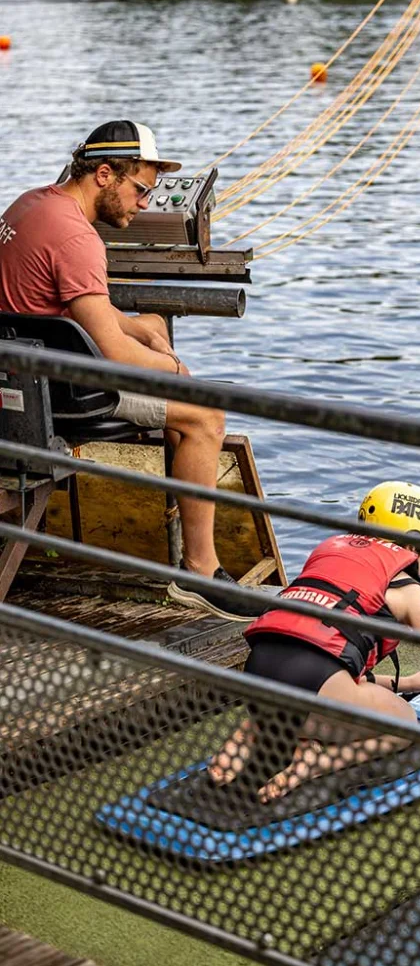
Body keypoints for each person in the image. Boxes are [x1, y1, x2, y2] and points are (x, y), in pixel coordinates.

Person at [0, 119, 264, 621]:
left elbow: (72, 304)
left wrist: (137, 325)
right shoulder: (78, 239)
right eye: (140, 189)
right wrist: (171, 366)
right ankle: (200, 572)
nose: (145, 203)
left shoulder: (30, 205)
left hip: (20, 382)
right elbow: (114, 356)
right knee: (204, 414)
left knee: (157, 352)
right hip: (66, 398)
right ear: (104, 174)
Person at [209, 480, 420, 800]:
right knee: (404, 722)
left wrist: (408, 683)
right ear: (413, 543)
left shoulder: (330, 554)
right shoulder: (409, 592)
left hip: (258, 674)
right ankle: (317, 760)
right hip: (315, 685)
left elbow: (325, 654)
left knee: (332, 692)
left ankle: (259, 728)